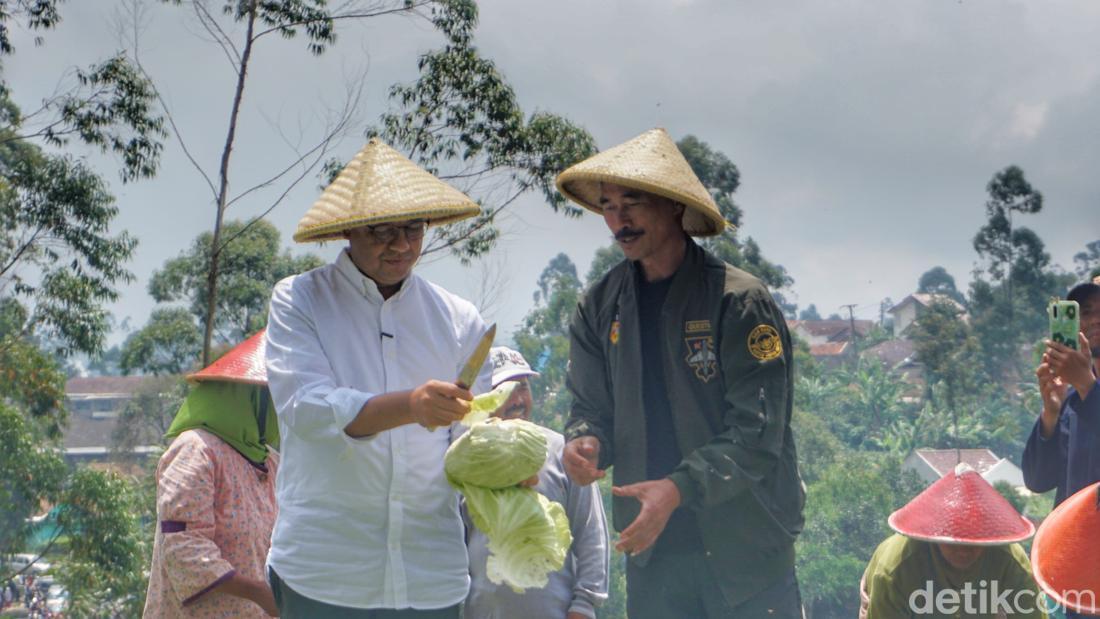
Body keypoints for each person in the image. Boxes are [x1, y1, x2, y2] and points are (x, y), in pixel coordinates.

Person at [555, 128, 805, 618]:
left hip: (746, 555)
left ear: (674, 206)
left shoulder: (739, 301)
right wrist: (584, 441)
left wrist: (677, 489)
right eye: (608, 205)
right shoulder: (598, 306)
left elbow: (758, 431)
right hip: (655, 558)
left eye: (633, 201)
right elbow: (589, 409)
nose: (619, 219)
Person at [264, 138, 492, 618]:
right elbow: (307, 410)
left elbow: (476, 438)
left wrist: (505, 468)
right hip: (326, 571)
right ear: (348, 231)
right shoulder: (300, 300)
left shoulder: (457, 318)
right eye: (382, 231)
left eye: (412, 228)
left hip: (430, 575)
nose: (402, 245)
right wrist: (410, 406)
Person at [463, 347, 609, 619]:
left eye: (523, 387)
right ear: (483, 398)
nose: (518, 399)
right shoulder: (465, 461)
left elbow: (592, 536)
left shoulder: (563, 453)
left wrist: (584, 606)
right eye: (505, 390)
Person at [143, 330, 281, 618]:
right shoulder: (197, 451)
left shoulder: (271, 462)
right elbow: (183, 547)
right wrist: (257, 592)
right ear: (252, 398)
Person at [860, 464, 1044, 618]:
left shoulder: (1010, 560)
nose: (963, 551)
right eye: (954, 543)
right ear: (934, 536)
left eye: (973, 544)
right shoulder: (894, 569)